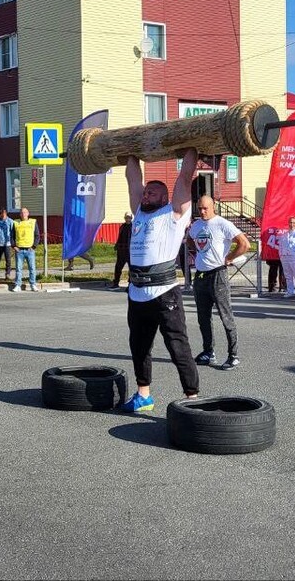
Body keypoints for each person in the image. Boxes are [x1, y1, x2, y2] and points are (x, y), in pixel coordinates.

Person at [120, 149, 200, 413]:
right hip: (137, 292)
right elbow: (132, 179)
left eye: (152, 193)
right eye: (146, 193)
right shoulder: (139, 213)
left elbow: (185, 177)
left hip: (165, 293)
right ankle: (144, 396)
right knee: (139, 346)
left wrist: (192, 147)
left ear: (165, 197)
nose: (146, 195)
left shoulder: (175, 213)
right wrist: (130, 149)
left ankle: (192, 398)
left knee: (178, 346)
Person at [189, 195, 249, 369]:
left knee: (225, 316)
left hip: (218, 275)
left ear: (213, 206)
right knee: (203, 317)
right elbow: (190, 239)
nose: (202, 211)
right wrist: (197, 254)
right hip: (201, 276)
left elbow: (244, 244)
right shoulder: (196, 225)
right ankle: (208, 352)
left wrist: (229, 258)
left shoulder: (223, 224)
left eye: (205, 208)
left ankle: (233, 355)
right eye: (200, 208)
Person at [11, 207, 39, 292]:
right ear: (20, 214)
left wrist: (34, 246)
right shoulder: (16, 222)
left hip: (30, 250)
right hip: (19, 250)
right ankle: (18, 285)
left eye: (25, 212)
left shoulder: (33, 222)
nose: (23, 214)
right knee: (18, 269)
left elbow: (37, 235)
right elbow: (12, 236)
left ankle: (33, 284)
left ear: (28, 213)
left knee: (32, 268)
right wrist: (14, 246)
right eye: (22, 212)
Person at [108, 212, 132, 289]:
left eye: (129, 217)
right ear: (124, 218)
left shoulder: (133, 226)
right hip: (121, 250)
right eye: (126, 217)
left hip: (130, 251)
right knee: (118, 267)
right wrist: (117, 245)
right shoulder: (122, 226)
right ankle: (116, 283)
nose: (128, 219)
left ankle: (130, 285)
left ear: (131, 218)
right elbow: (120, 237)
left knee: (131, 268)